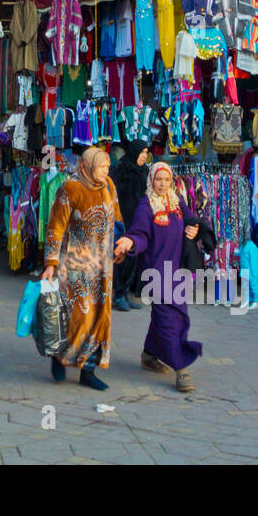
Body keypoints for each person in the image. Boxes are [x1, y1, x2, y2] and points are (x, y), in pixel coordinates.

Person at [41, 147, 127, 390]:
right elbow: (55, 227)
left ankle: (88, 371)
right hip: (76, 266)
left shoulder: (109, 186)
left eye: (107, 167)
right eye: (101, 167)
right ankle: (60, 357)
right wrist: (51, 263)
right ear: (88, 166)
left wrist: (121, 246)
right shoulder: (70, 188)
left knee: (101, 318)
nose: (105, 171)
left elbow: (117, 219)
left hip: (103, 267)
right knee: (77, 317)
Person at [123, 161, 203, 393]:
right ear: (151, 180)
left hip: (177, 273)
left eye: (167, 180)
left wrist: (194, 230)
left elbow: (191, 220)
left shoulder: (177, 202)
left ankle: (149, 354)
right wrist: (130, 242)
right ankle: (181, 369)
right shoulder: (145, 207)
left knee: (169, 316)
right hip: (155, 273)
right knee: (170, 321)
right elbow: (139, 234)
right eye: (159, 179)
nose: (162, 184)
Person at [113, 140, 151, 312]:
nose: (144, 155)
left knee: (133, 258)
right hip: (123, 221)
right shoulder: (121, 170)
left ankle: (125, 293)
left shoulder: (145, 171)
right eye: (141, 152)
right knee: (122, 258)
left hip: (139, 221)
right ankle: (118, 295)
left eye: (146, 152)